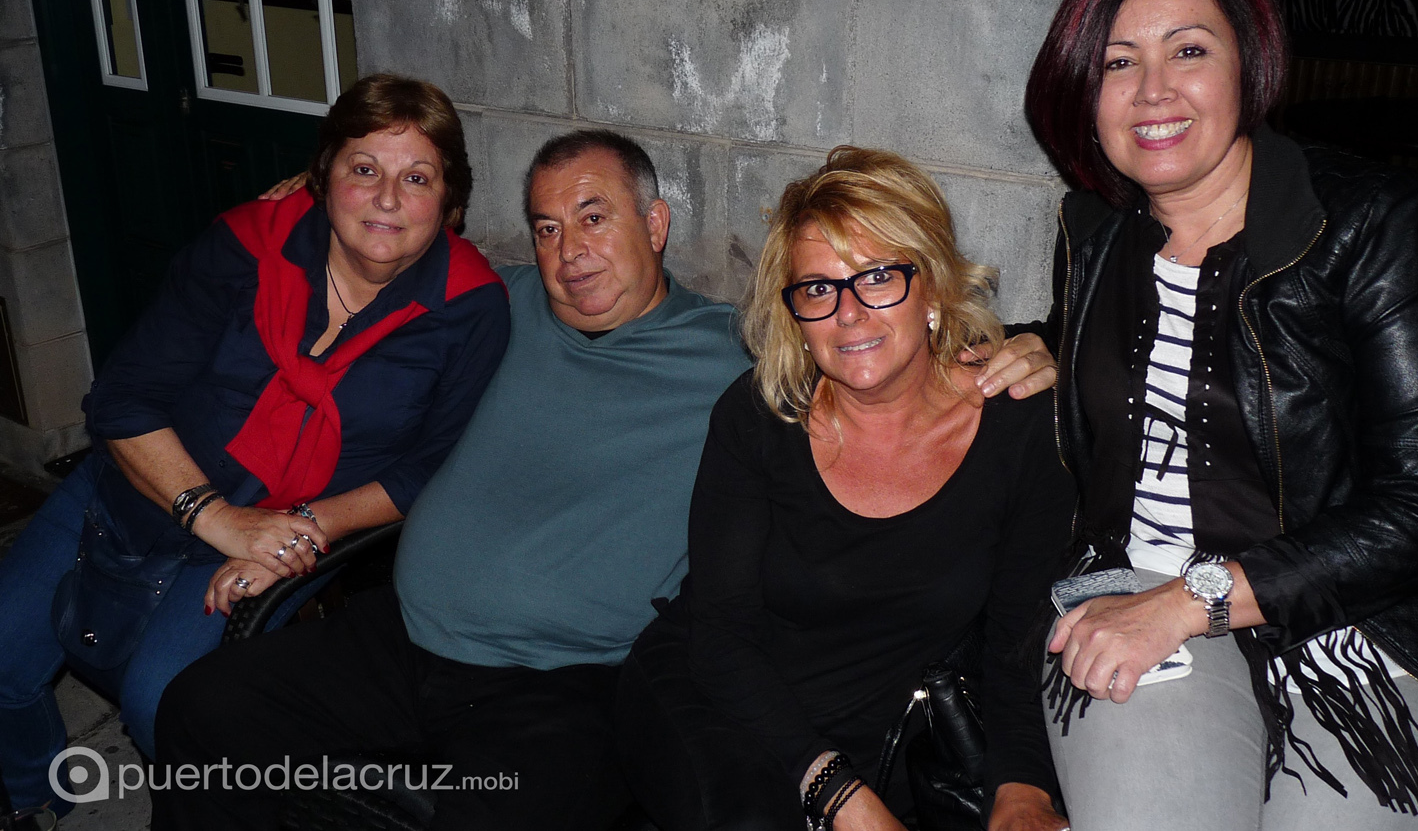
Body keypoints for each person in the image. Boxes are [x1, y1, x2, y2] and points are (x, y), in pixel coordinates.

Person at [151, 130, 1061, 831]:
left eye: (594, 218)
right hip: (401, 634)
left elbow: (881, 339)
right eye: (546, 228)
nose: (568, 251)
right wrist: (301, 206)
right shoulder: (497, 304)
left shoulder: (743, 358)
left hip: (564, 683)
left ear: (655, 226)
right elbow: (380, 244)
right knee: (201, 708)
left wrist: (1029, 345)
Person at [1023, 0, 1418, 831]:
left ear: (1250, 65)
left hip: (1360, 625)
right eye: (1119, 62)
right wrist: (1040, 344)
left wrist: (1197, 599)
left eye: (1188, 51)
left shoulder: (1373, 226)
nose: (1153, 90)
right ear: (1084, 90)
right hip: (1136, 593)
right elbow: (1151, 353)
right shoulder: (1093, 234)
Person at [0, 74, 509, 814]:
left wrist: (300, 531)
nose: (387, 199)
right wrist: (215, 517)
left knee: (165, 704)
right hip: (144, 482)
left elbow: (434, 466)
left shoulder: (470, 309)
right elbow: (123, 398)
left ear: (450, 200)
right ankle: (35, 794)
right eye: (364, 169)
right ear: (323, 176)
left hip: (289, 523)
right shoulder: (248, 244)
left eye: (417, 178)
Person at [616, 146, 1075, 831]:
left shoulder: (1020, 425)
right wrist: (837, 794)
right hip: (720, 708)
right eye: (817, 289)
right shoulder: (759, 417)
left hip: (885, 742)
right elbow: (721, 638)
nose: (849, 313)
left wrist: (1022, 788)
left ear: (932, 287)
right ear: (796, 316)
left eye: (878, 276)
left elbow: (1019, 639)